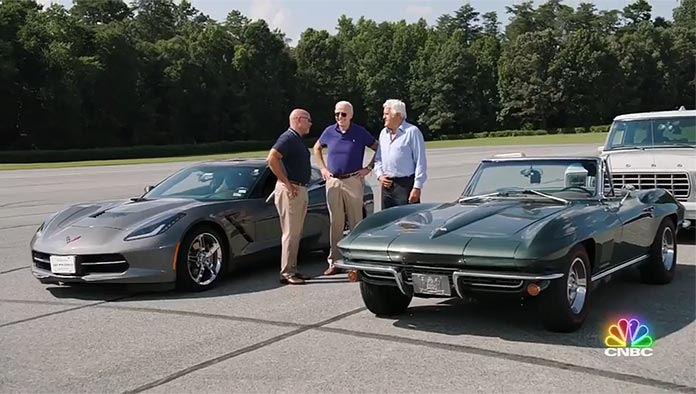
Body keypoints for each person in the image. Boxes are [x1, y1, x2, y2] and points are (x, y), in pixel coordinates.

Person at [314, 101, 379, 276]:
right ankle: (334, 261)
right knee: (336, 222)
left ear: (350, 115)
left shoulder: (359, 132)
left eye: (343, 114)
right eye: (336, 114)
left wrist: (369, 167)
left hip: (353, 181)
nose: (339, 118)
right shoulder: (329, 131)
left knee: (355, 221)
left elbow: (378, 148)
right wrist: (323, 168)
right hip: (333, 181)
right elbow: (317, 147)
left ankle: (355, 262)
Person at [267, 108, 313, 285]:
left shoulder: (296, 139)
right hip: (291, 190)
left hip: (300, 189)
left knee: (296, 232)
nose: (310, 123)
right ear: (299, 119)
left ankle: (293, 268)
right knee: (290, 233)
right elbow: (272, 158)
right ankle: (286, 272)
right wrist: (286, 182)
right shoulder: (287, 138)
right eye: (308, 120)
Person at [373, 99, 427, 209]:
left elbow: (420, 161)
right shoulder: (383, 133)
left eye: (387, 114)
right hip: (387, 185)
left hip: (405, 185)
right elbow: (378, 159)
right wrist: (380, 176)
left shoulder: (412, 132)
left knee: (408, 223)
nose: (384, 117)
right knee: (387, 221)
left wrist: (417, 187)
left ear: (398, 115)